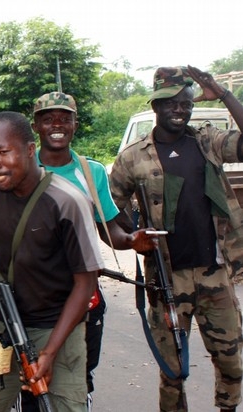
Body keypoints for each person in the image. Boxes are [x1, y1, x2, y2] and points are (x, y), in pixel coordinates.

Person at [109, 65, 243, 412]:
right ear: (155, 105)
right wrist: (129, 237)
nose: (179, 110)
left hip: (214, 272)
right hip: (167, 278)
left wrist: (225, 95)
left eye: (185, 104)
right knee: (173, 371)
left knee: (232, 362)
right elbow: (107, 211)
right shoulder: (132, 157)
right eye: (171, 104)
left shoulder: (206, 142)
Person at [0, 111, 103, 411]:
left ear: (29, 150)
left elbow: (86, 282)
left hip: (58, 328)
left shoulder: (67, 202)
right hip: (8, 325)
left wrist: (50, 352)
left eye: (2, 152)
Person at [29, 91, 158, 410]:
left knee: (79, 376)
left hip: (83, 292)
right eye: (48, 119)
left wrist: (131, 241)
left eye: (64, 118)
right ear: (36, 126)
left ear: (75, 124)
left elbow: (108, 228)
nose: (57, 125)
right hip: (32, 293)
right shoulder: (22, 168)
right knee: (31, 380)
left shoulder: (92, 172)